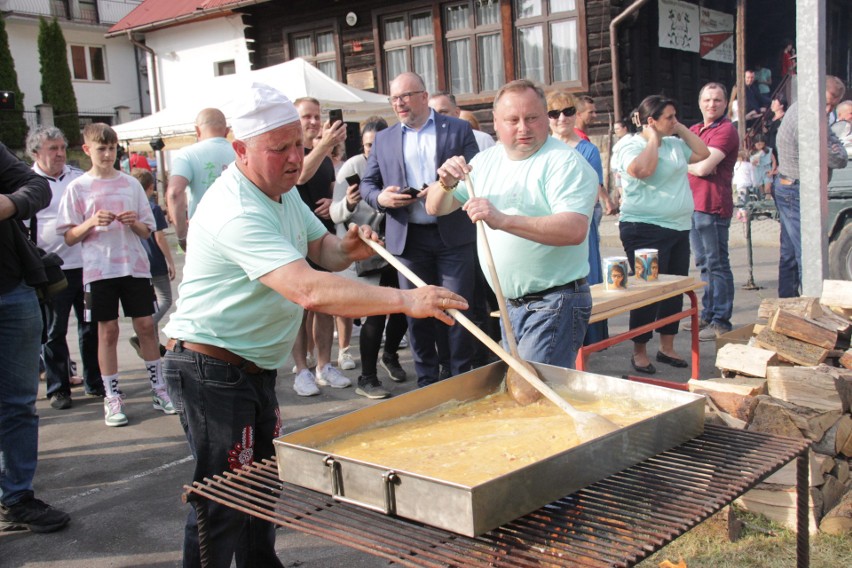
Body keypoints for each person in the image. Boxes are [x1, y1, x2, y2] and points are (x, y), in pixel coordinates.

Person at [161, 82, 466, 567]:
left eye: (299, 146)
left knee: (261, 489)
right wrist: (407, 299)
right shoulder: (235, 207)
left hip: (251, 368)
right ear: (240, 149)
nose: (293, 159)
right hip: (209, 368)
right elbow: (309, 289)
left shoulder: (281, 192)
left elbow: (319, 250)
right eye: (278, 149)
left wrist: (349, 248)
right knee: (220, 502)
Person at [426, 79, 598, 369]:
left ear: (546, 117)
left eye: (532, 118)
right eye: (512, 120)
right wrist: (445, 182)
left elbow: (573, 229)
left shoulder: (564, 162)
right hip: (509, 304)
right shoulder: (485, 161)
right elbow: (435, 207)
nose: (523, 128)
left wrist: (502, 220)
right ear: (495, 122)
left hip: (554, 301)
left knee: (532, 394)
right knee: (528, 393)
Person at [361, 71, 480, 388]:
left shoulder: (457, 128)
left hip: (453, 235)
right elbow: (367, 185)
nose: (399, 103)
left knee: (456, 308)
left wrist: (444, 189)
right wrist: (381, 199)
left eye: (405, 96)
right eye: (394, 98)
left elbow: (476, 173)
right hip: (408, 239)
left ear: (424, 97)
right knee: (418, 315)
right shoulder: (385, 138)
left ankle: (461, 378)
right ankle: (427, 381)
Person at [56, 123, 176, 427]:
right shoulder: (78, 187)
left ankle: (159, 389)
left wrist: (133, 222)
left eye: (112, 148)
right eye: (101, 148)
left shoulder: (131, 184)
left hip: (134, 267)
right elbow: (69, 237)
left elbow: (147, 230)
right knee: (106, 331)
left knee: (147, 326)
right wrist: (91, 222)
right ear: (87, 150)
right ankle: (112, 397)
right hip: (97, 271)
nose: (108, 154)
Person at [0, 142, 71, 534]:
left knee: (18, 404)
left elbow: (34, 186)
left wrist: (9, 204)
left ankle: (15, 499)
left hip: (12, 290)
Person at [612, 95, 710, 374]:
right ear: (651, 121)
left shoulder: (676, 143)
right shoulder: (630, 144)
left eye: (675, 115)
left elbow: (703, 153)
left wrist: (679, 129)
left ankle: (667, 346)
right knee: (648, 290)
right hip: (644, 228)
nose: (674, 120)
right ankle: (639, 350)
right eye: (669, 117)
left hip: (678, 227)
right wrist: (653, 139)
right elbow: (642, 170)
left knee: (673, 290)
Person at [331, 118, 410, 398]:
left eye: (376, 145)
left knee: (404, 308)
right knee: (375, 315)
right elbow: (334, 212)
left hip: (399, 246)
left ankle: (389, 354)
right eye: (367, 145)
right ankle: (367, 378)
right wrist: (351, 202)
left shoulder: (399, 160)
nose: (371, 151)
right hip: (369, 250)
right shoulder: (352, 167)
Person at [27, 126, 103, 408]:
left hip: (86, 268)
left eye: (61, 148)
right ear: (36, 153)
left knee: (90, 324)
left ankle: (95, 383)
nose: (60, 153)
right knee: (54, 331)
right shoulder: (27, 181)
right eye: (52, 149)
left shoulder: (78, 178)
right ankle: (59, 388)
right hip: (52, 273)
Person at [290, 96, 350, 396]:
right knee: (298, 309)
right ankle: (301, 369)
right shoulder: (291, 152)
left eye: (316, 116)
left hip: (322, 236)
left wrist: (334, 203)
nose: (313, 122)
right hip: (294, 240)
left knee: (325, 304)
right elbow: (300, 174)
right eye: (306, 117)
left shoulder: (325, 157)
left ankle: (325, 364)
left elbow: (330, 193)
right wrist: (324, 145)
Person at [775, 76, 848, 297]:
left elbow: (834, 145)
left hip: (791, 186)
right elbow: (838, 158)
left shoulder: (809, 111)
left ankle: (787, 304)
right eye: (826, 103)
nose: (828, 110)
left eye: (833, 106)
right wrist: (835, 147)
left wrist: (834, 145)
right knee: (807, 253)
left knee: (789, 254)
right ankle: (811, 306)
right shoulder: (807, 119)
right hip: (796, 190)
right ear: (815, 93)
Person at [546, 90, 609, 345]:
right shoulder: (542, 147)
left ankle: (587, 341)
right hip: (546, 226)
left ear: (576, 115)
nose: (562, 118)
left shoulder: (588, 150)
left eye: (568, 111)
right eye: (554, 113)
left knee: (586, 278)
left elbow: (593, 193)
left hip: (578, 222)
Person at [686, 82, 740, 342]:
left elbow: (703, 169)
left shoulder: (726, 131)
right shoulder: (695, 130)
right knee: (704, 264)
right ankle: (708, 315)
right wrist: (695, 164)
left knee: (717, 263)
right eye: (707, 100)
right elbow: (682, 162)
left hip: (713, 206)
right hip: (693, 205)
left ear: (725, 103)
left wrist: (696, 164)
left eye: (717, 100)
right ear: (700, 102)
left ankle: (721, 321)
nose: (712, 104)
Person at [166, 108, 235, 252]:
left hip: (203, 237)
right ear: (227, 131)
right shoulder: (242, 153)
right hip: (240, 232)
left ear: (197, 130)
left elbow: (174, 193)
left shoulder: (187, 154)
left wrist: (182, 237)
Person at [129, 168, 175, 356]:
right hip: (154, 259)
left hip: (138, 260)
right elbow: (160, 238)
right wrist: (170, 261)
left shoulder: (132, 207)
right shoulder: (153, 207)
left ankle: (153, 343)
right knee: (165, 299)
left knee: (151, 302)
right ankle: (142, 330)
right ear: (150, 187)